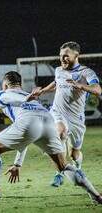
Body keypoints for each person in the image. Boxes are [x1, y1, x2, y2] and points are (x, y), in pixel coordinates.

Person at [0, 71, 102, 204]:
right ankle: (96, 195)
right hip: (48, 120)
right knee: (63, 165)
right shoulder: (30, 97)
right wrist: (17, 164)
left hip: (29, 122)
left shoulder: (1, 94)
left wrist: (26, 99)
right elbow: (26, 138)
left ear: (4, 85)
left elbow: (9, 99)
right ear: (20, 84)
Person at [32, 41, 101, 187]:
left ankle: (78, 168)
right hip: (57, 112)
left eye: (66, 56)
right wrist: (43, 90)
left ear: (76, 55)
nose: (62, 59)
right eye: (61, 56)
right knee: (61, 132)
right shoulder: (59, 70)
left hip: (76, 118)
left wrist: (80, 85)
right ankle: (59, 173)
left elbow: (97, 89)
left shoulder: (86, 72)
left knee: (74, 153)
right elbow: (57, 83)